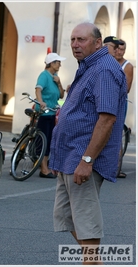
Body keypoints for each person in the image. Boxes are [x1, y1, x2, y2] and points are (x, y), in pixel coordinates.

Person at [49, 22, 127, 265]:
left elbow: (107, 119)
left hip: (82, 157)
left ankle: (91, 262)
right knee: (67, 216)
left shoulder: (103, 69)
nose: (75, 45)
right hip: (69, 156)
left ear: (97, 42)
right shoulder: (88, 66)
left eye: (81, 40)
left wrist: (87, 160)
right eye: (73, 40)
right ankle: (95, 262)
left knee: (85, 220)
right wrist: (57, 157)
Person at [34, 52, 65, 178]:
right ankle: (44, 168)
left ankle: (46, 165)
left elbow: (62, 95)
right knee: (44, 139)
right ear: (51, 63)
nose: (60, 65)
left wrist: (59, 83)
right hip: (44, 112)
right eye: (58, 62)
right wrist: (40, 101)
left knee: (50, 139)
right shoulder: (44, 75)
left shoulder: (55, 76)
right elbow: (38, 89)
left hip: (53, 112)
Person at [114, 38, 134, 178]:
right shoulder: (108, 62)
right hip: (107, 101)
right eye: (118, 49)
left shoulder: (127, 66)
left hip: (119, 103)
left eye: (123, 50)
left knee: (116, 133)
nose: (120, 52)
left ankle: (116, 168)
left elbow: (126, 88)